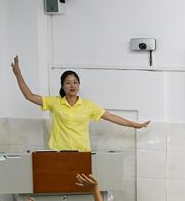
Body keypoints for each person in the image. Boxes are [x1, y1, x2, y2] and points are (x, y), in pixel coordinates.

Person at [11, 56, 150, 152]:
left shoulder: (88, 105)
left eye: (75, 82)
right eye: (68, 82)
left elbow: (111, 117)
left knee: (81, 191)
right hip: (59, 153)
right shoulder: (54, 102)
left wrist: (134, 125)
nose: (72, 85)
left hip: (82, 153)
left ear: (79, 85)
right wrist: (18, 74)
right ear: (63, 86)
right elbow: (29, 96)